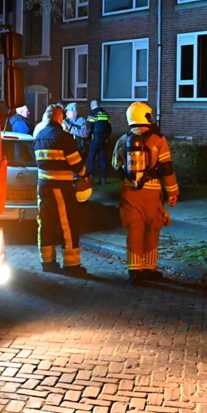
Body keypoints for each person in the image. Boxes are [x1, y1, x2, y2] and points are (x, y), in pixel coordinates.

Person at [112, 102, 179, 285]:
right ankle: (150, 268)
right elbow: (167, 167)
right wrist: (172, 192)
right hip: (151, 191)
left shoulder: (122, 140)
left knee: (134, 229)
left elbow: (115, 165)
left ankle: (135, 271)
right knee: (152, 228)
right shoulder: (158, 140)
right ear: (146, 117)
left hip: (129, 191)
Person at [32, 105, 91, 277]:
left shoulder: (39, 136)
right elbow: (76, 164)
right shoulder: (63, 137)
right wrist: (84, 174)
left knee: (45, 222)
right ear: (60, 118)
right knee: (68, 224)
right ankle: (72, 265)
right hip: (61, 187)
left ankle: (47, 262)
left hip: (43, 186)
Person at [86, 100, 112, 185]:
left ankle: (90, 177)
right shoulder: (106, 114)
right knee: (103, 159)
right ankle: (103, 178)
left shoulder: (93, 115)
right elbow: (109, 128)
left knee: (91, 159)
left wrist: (88, 139)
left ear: (92, 105)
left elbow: (89, 129)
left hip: (94, 140)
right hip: (104, 140)